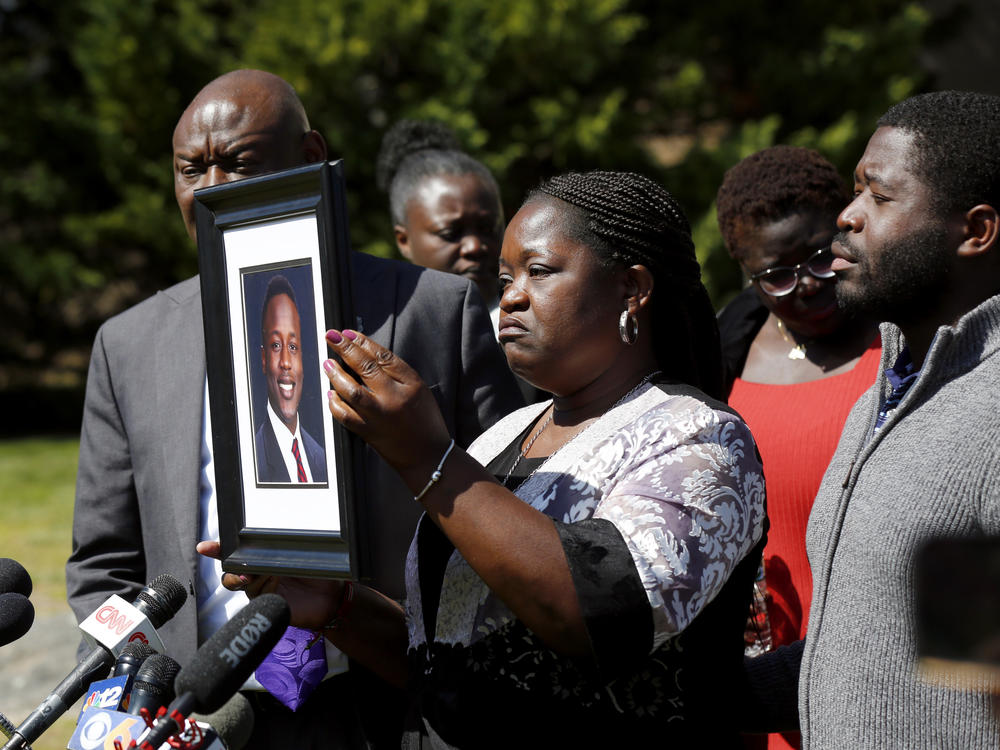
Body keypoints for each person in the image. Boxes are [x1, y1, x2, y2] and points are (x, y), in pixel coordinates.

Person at [220, 171, 768, 747]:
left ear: (632, 289)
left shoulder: (701, 438)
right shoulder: (501, 438)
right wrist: (339, 609)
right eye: (505, 278)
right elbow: (446, 663)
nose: (509, 295)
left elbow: (598, 616)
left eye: (539, 271)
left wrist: (428, 458)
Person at [66, 69, 523, 749]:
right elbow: (105, 565)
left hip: (397, 708)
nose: (213, 187)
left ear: (311, 159)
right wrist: (120, 700)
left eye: (239, 162)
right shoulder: (129, 345)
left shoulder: (433, 310)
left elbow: (508, 519)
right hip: (204, 716)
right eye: (192, 169)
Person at [743, 91, 1000, 747]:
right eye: (854, 192)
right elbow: (926, 658)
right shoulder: (884, 397)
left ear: (975, 232)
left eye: (879, 198)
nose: (847, 219)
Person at [714, 146, 880, 750]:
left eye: (820, 257)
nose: (808, 285)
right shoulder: (720, 358)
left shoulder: (908, 339)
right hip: (759, 678)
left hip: (883, 668)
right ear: (747, 275)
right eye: (778, 275)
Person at [375, 119, 504, 324]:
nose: (475, 247)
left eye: (488, 228)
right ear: (404, 241)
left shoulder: (542, 336)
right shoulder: (381, 329)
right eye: (450, 233)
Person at [253, 274, 327, 484]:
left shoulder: (322, 458)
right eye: (276, 345)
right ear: (264, 359)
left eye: (293, 347)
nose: (286, 362)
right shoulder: (252, 460)